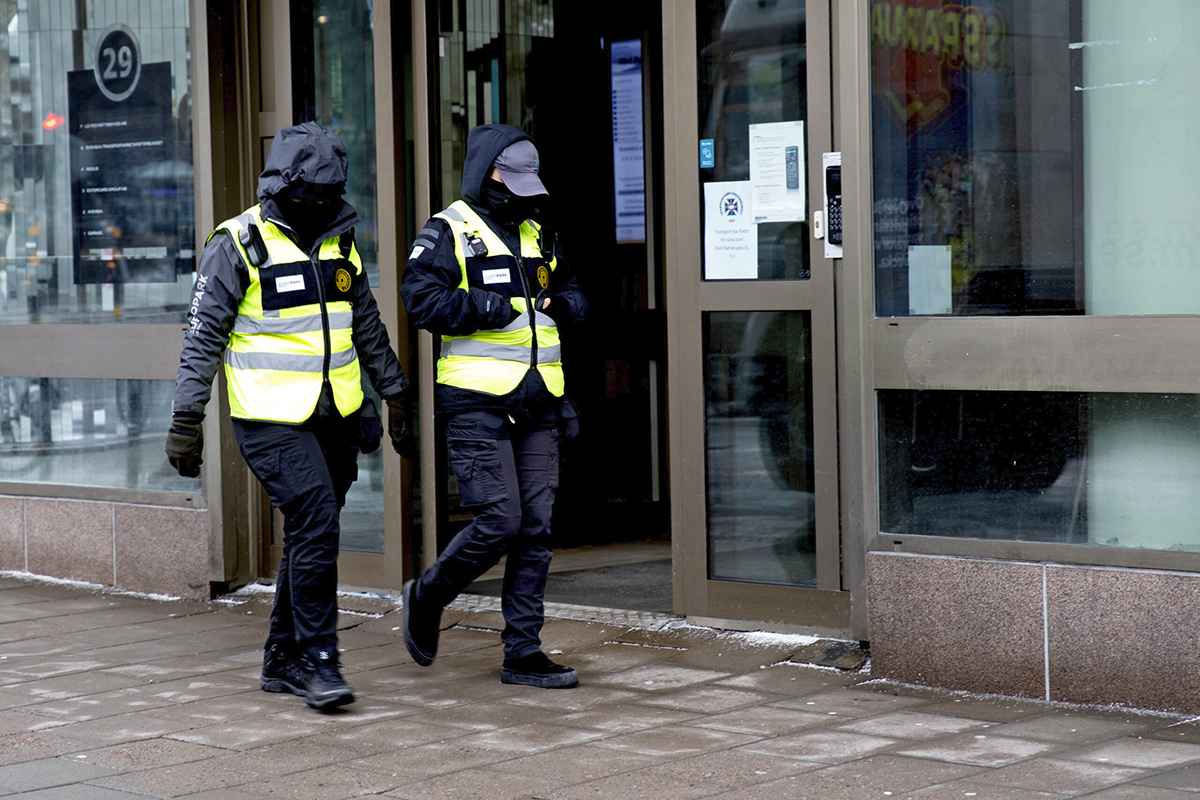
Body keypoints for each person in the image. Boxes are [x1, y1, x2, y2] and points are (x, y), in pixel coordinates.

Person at [165, 122, 414, 710]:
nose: (322, 205)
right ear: (281, 185)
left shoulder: (339, 239)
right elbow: (202, 339)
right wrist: (185, 419)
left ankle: (281, 659)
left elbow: (366, 325)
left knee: (307, 534)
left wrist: (394, 392)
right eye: (311, 194)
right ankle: (317, 662)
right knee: (318, 522)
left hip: (336, 416)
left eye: (332, 194)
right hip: (270, 421)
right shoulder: (236, 244)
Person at [399, 123, 588, 688]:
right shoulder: (449, 231)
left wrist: (565, 305)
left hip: (539, 403)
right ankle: (427, 595)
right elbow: (419, 299)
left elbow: (577, 293)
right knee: (500, 521)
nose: (527, 194)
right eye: (516, 181)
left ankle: (522, 653)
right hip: (476, 401)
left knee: (535, 529)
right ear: (489, 173)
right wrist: (487, 305)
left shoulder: (540, 232)